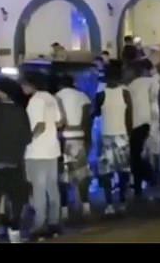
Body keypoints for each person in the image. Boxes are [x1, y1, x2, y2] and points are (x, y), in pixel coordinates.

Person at [0, 78, 32, 243]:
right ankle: (14, 230)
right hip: (14, 161)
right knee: (16, 199)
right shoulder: (20, 111)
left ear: (4, 92)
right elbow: (27, 137)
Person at [21, 71, 63, 239]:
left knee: (38, 189)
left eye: (24, 83)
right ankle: (54, 222)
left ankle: (39, 224)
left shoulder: (35, 101)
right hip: (52, 149)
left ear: (32, 84)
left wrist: (26, 139)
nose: (22, 87)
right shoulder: (51, 99)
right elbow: (60, 122)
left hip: (36, 151)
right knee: (52, 187)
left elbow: (39, 125)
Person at [95, 65, 132, 214]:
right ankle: (122, 199)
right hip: (122, 135)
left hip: (106, 136)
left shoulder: (101, 94)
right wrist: (129, 134)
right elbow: (129, 116)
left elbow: (96, 114)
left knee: (106, 172)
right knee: (123, 171)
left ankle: (109, 202)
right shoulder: (125, 93)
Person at [55, 75, 93, 220]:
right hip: (78, 138)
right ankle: (85, 206)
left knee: (63, 176)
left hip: (62, 139)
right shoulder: (82, 96)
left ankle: (64, 209)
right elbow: (86, 120)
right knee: (82, 174)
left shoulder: (56, 97)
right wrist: (88, 139)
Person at [126, 63, 155, 196]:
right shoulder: (148, 82)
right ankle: (144, 179)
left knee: (135, 156)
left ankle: (146, 178)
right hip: (145, 123)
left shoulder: (131, 86)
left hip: (136, 125)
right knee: (136, 155)